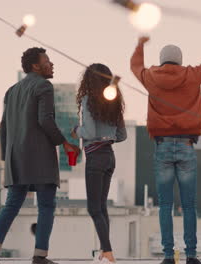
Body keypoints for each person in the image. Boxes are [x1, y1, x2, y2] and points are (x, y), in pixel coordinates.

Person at [130, 27, 201, 264]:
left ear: (162, 60)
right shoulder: (193, 75)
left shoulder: (151, 77)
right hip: (186, 145)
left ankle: (167, 255)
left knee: (165, 205)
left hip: (162, 146)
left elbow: (134, 65)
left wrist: (141, 44)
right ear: (180, 60)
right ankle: (191, 255)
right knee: (189, 205)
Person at [0, 47, 80, 264]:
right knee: (46, 204)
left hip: (16, 156)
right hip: (39, 156)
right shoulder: (43, 86)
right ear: (36, 66)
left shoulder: (11, 90)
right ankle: (40, 256)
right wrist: (64, 143)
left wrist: (8, 156)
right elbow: (45, 120)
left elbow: (3, 126)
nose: (52, 64)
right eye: (47, 60)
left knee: (11, 204)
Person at [71, 63, 127, 264]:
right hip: (109, 156)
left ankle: (109, 253)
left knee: (94, 208)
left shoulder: (88, 100)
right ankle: (105, 252)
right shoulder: (113, 101)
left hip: (95, 157)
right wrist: (107, 135)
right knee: (101, 208)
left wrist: (76, 130)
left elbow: (90, 133)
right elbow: (122, 135)